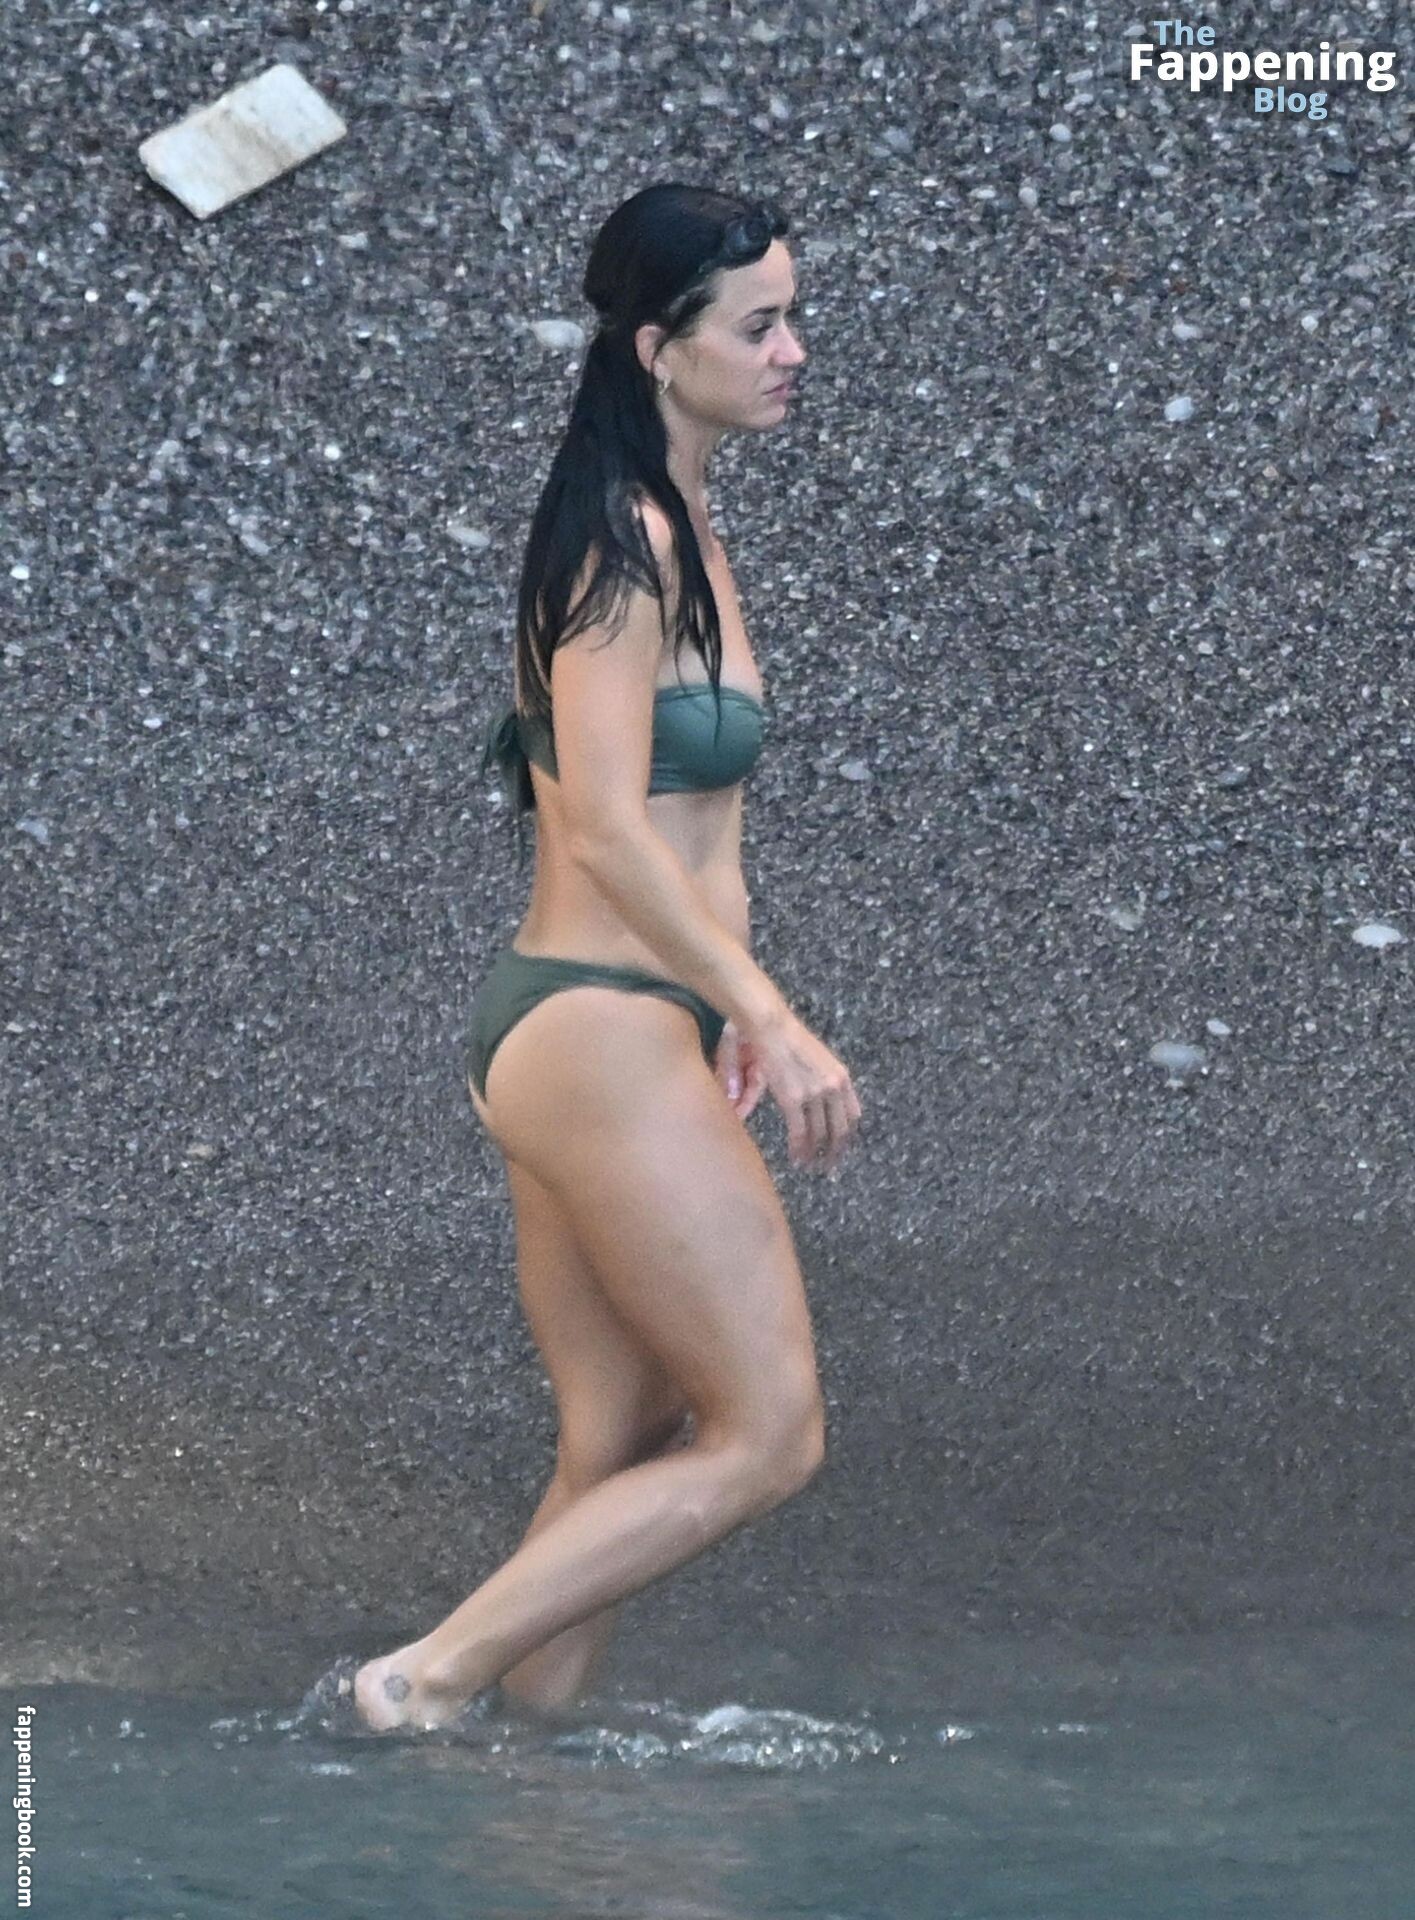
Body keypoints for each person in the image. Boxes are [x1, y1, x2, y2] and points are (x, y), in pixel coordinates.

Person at [354, 182, 862, 1734]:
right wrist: (773, 1011)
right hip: (592, 1025)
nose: (793, 351)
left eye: (791, 316)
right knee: (770, 1434)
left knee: (616, 1441)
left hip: (627, 1026)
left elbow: (709, 832)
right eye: (758, 326)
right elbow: (604, 828)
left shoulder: (683, 524)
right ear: (659, 347)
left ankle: (528, 1776)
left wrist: (729, 1012)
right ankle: (422, 1679)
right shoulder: (621, 543)